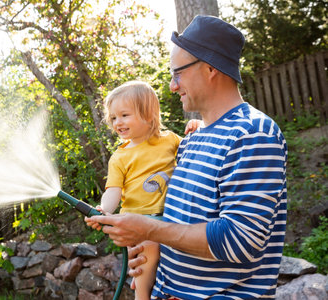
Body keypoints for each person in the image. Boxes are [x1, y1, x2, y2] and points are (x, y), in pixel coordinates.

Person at [86, 15, 288, 299]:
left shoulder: (253, 133)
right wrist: (146, 249)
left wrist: (150, 229)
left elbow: (240, 240)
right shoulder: (191, 139)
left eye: (177, 73)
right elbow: (178, 225)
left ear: (209, 68)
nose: (172, 85)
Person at [86, 80, 200, 300]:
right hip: (139, 222)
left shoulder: (170, 140)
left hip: (171, 218)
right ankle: (142, 296)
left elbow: (193, 148)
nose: (117, 122)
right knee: (148, 250)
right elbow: (113, 191)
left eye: (124, 115)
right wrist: (104, 210)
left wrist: (198, 126)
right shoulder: (120, 156)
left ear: (148, 114)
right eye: (113, 118)